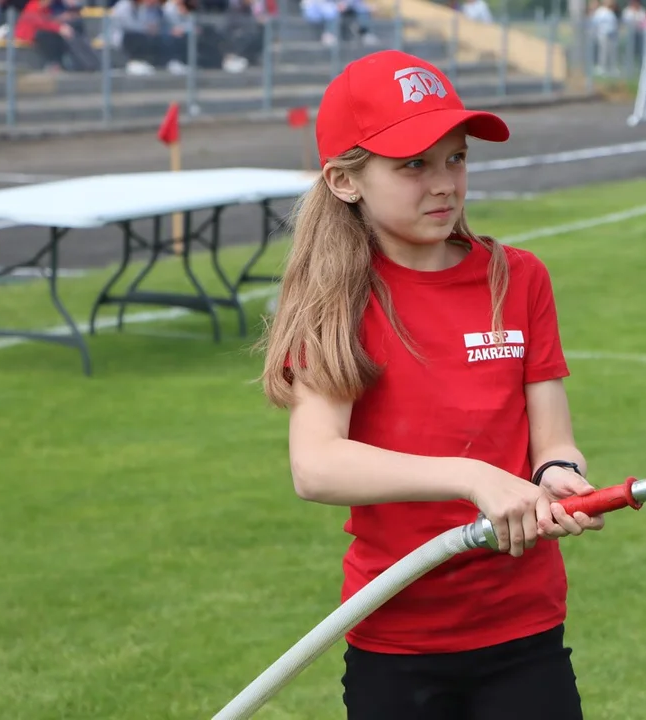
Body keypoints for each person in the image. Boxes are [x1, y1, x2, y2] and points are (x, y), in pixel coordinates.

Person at [258, 49, 605, 719]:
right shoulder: (337, 301)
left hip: (525, 630)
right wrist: (470, 476)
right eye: (413, 165)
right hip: (398, 640)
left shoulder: (519, 277)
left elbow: (554, 441)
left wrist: (560, 473)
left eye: (456, 158)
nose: (443, 183)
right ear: (345, 181)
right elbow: (317, 466)